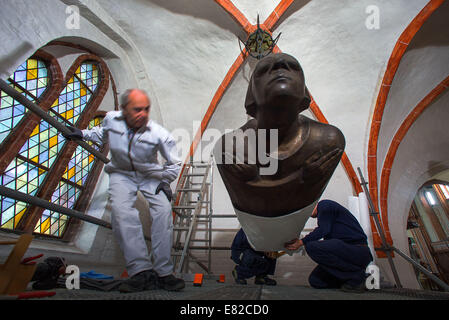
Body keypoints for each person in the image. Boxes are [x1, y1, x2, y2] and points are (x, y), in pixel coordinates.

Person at [214, 53, 345, 252]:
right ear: (252, 95)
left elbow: (264, 200)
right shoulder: (231, 146)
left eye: (292, 66)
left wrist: (254, 182)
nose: (281, 66)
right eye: (264, 70)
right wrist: (302, 179)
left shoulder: (328, 141)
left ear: (304, 91)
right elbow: (258, 205)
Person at [63, 88, 185, 292]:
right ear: (124, 110)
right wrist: (82, 134)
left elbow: (174, 162)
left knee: (163, 213)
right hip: (121, 172)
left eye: (146, 109)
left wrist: (166, 181)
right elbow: (102, 134)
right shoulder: (111, 119)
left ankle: (164, 273)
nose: (143, 114)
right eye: (137, 109)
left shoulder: (159, 133)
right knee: (121, 213)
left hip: (150, 174)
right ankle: (141, 272)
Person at [284, 199, 373, 292]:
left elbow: (323, 230)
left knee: (311, 246)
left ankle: (358, 278)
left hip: (357, 251)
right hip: (346, 253)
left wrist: (301, 242)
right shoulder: (326, 216)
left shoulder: (325, 205)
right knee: (316, 281)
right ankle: (355, 280)